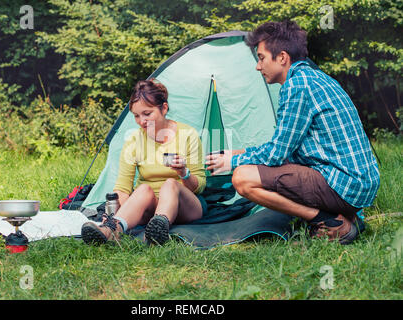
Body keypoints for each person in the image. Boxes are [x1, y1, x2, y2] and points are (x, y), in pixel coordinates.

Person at [205, 21, 380, 244]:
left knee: (243, 178)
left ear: (282, 58)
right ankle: (350, 218)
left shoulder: (297, 86)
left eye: (261, 58)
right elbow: (287, 149)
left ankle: (329, 221)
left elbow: (276, 154)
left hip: (344, 185)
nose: (258, 67)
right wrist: (237, 153)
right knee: (250, 164)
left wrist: (234, 161)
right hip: (359, 184)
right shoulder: (315, 78)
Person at [81, 79, 207, 245]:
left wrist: (184, 173)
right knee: (142, 189)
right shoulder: (133, 140)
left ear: (164, 108)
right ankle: (111, 230)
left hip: (186, 205)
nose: (142, 121)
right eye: (136, 116)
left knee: (170, 184)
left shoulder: (187, 135)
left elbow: (200, 185)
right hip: (150, 206)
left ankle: (159, 226)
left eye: (147, 114)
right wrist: (115, 213)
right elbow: (123, 187)